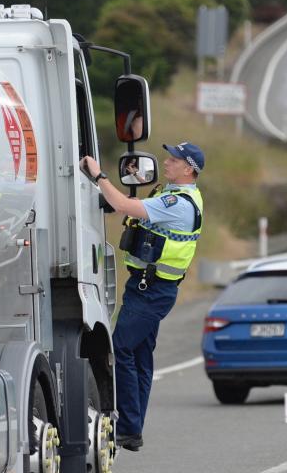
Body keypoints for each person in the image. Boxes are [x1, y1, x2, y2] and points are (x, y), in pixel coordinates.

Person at [79, 142, 206, 452]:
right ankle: (132, 429)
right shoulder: (172, 195)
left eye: (174, 160)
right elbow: (132, 208)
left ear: (189, 169)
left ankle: (128, 428)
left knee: (120, 347)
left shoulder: (177, 202)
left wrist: (98, 175)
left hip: (152, 290)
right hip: (149, 288)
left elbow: (124, 207)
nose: (166, 161)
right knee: (138, 356)